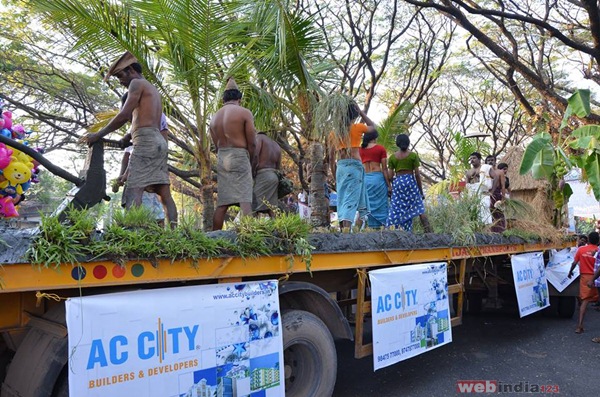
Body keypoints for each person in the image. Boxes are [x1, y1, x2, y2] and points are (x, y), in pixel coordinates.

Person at [81, 51, 177, 227]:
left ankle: (134, 234)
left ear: (131, 70)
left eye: (120, 75)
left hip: (146, 141)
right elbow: (144, 120)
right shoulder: (151, 88)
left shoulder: (137, 84)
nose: (120, 81)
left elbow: (124, 114)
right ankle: (176, 234)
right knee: (164, 192)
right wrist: (127, 137)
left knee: (134, 188)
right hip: (158, 141)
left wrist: (98, 134)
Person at [114, 92, 169, 225]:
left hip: (145, 171)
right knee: (150, 210)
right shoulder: (136, 124)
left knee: (151, 212)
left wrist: (125, 174)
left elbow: (134, 155)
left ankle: (140, 233)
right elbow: (128, 155)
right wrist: (122, 176)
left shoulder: (154, 118)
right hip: (144, 172)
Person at [209, 77, 257, 230]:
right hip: (239, 155)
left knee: (223, 202)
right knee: (245, 200)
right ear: (239, 98)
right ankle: (249, 238)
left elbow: (215, 145)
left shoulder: (214, 117)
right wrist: (251, 160)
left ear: (224, 99)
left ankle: (214, 238)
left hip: (223, 157)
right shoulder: (244, 113)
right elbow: (252, 142)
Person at [330, 103, 374, 231]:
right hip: (354, 167)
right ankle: (346, 232)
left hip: (341, 168)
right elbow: (373, 127)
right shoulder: (357, 127)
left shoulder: (333, 133)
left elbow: (331, 157)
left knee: (342, 199)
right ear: (354, 116)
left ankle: (344, 228)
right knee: (350, 200)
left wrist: (334, 174)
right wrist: (361, 112)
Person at [386, 134, 431, 232]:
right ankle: (429, 232)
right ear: (408, 143)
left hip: (398, 183)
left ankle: (391, 231)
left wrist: (394, 183)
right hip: (410, 182)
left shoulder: (393, 158)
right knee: (419, 207)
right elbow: (417, 175)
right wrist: (420, 191)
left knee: (396, 208)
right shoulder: (413, 156)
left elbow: (390, 176)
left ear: (397, 144)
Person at [568, 231, 600, 334]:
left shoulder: (581, 250)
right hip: (598, 278)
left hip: (585, 278)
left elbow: (574, 263)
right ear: (598, 241)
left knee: (584, 302)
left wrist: (570, 272)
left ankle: (579, 326)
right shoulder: (598, 250)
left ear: (588, 240)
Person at [359, 130, 390, 228]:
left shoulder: (360, 150)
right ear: (374, 138)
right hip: (378, 180)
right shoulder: (380, 149)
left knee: (366, 207)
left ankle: (361, 230)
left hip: (365, 180)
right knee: (382, 207)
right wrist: (389, 185)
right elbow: (385, 169)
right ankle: (383, 230)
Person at [252, 132, 281, 218]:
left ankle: (250, 229)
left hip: (263, 175)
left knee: (252, 206)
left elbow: (255, 155)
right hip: (274, 176)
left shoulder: (259, 138)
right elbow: (278, 166)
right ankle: (279, 227)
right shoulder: (276, 145)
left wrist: (252, 171)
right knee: (272, 208)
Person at [465, 152, 493, 224]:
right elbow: (467, 184)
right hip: (473, 194)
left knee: (484, 212)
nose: (472, 160)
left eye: (474, 158)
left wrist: (492, 191)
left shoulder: (485, 168)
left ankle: (486, 231)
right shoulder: (468, 172)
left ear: (479, 159)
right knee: (474, 212)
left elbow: (495, 177)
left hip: (483, 193)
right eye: (471, 158)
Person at [489, 162, 508, 232]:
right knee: (491, 214)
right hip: (488, 195)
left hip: (497, 195)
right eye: (488, 160)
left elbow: (503, 187)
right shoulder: (485, 172)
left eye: (492, 160)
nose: (490, 162)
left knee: (499, 213)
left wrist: (503, 199)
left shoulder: (500, 172)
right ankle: (492, 231)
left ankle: (501, 231)